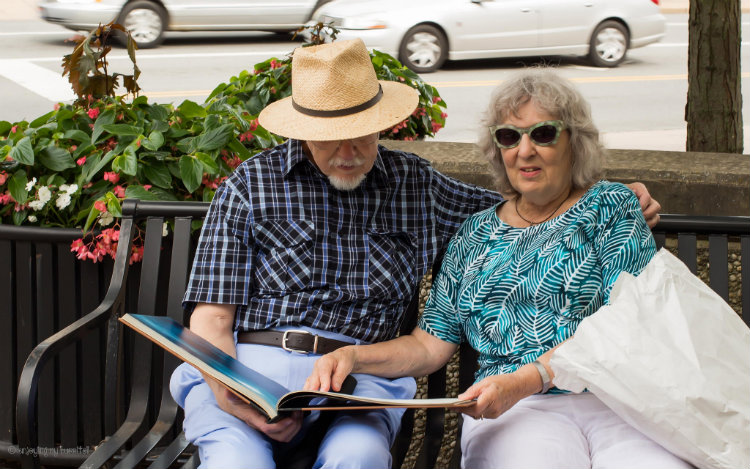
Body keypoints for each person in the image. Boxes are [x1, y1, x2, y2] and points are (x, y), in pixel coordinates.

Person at [169, 39, 662, 469]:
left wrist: (612, 195)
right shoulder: (251, 186)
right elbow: (211, 322)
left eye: (361, 130)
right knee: (237, 462)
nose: (348, 150)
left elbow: (528, 205)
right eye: (330, 136)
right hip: (251, 366)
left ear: (381, 123)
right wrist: (230, 395)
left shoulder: (416, 186)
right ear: (302, 130)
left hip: (358, 383)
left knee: (356, 459)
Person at [305, 69, 691, 469]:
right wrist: (354, 357)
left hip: (620, 400)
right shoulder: (475, 233)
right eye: (509, 136)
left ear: (574, 142)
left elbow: (627, 321)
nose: (524, 150)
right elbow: (428, 345)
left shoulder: (609, 207)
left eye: (542, 134)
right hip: (519, 412)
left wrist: (524, 379)